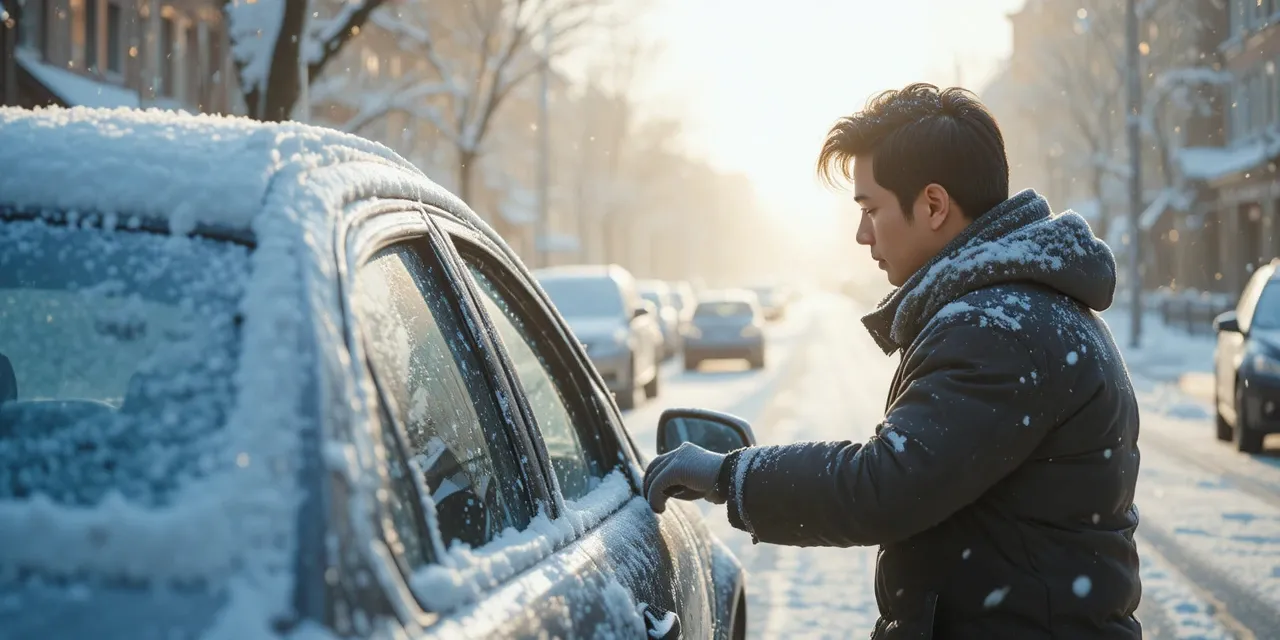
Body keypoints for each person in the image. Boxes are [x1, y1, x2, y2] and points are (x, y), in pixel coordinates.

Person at [642, 83, 1141, 639]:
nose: (861, 234)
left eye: (871, 209)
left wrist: (728, 474)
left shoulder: (998, 327)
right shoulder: (1017, 309)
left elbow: (885, 485)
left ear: (932, 205)